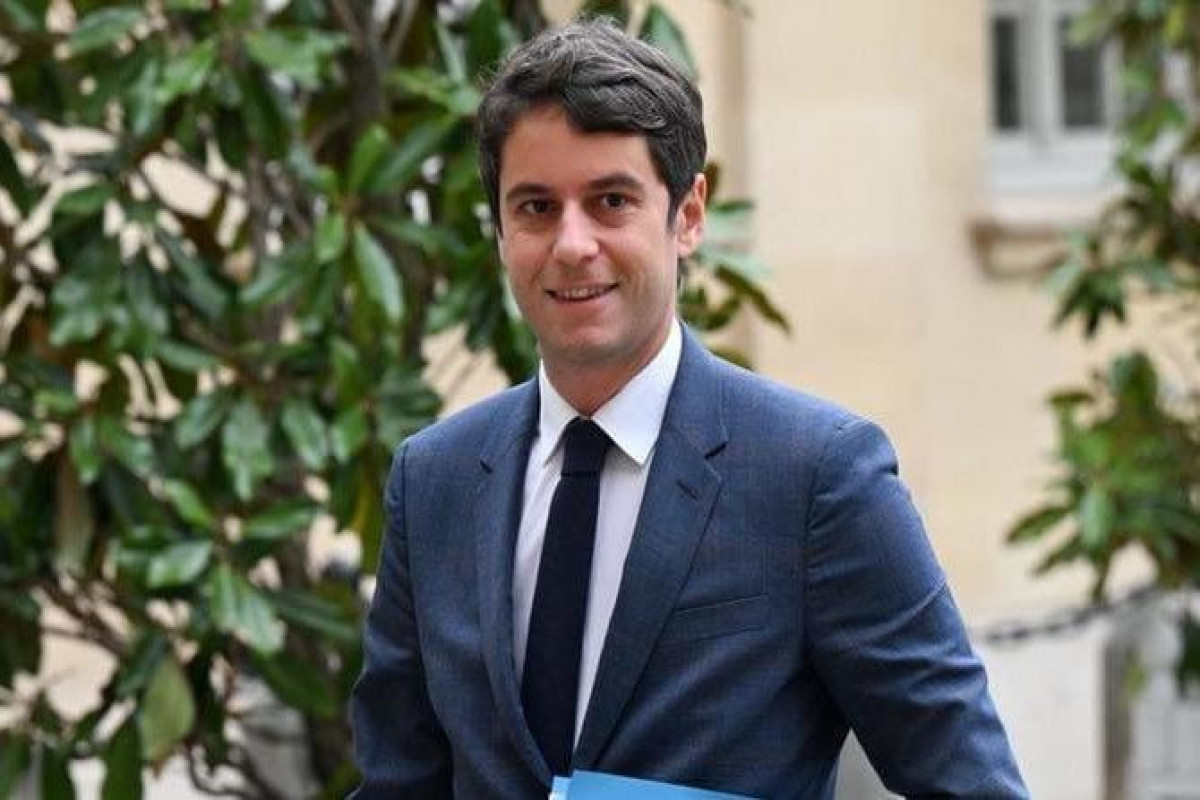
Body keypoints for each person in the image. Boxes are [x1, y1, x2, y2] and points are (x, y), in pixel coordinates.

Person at [350, 17, 1028, 800]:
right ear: (500, 231)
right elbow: (396, 784)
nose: (572, 244)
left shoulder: (816, 476)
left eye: (610, 201)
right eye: (535, 207)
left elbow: (971, 783)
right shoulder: (432, 481)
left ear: (689, 215)